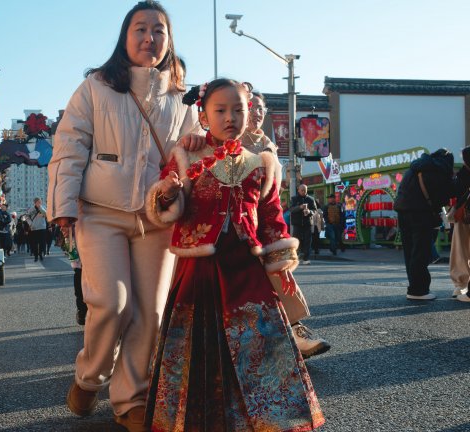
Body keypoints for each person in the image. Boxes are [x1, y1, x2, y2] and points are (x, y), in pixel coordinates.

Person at [47, 2, 204, 430]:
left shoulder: (183, 96)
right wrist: (63, 206)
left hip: (157, 217)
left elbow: (194, 155)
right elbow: (70, 144)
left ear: (169, 40)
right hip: (101, 213)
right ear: (124, 36)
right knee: (112, 304)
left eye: (159, 30)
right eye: (141, 29)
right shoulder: (96, 87)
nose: (150, 37)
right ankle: (90, 376)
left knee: (150, 314)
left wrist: (196, 140)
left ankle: (130, 400)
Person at [145, 77, 324, 431]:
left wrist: (281, 262)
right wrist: (166, 192)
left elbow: (272, 218)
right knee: (200, 347)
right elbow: (171, 205)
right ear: (204, 115)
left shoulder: (262, 163)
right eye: (221, 110)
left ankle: (269, 421)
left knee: (260, 342)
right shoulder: (186, 155)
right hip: (199, 268)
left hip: (247, 267)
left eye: (238, 109)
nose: (230, 117)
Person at [239, 90, 330, 358]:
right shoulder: (222, 140)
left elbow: (272, 198)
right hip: (223, 222)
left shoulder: (268, 145)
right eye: (251, 106)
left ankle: (295, 329)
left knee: (278, 271)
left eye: (261, 108)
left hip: (260, 219)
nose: (257, 112)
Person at [394, 148, 470, 301]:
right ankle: (418, 291)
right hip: (421, 214)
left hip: (402, 212)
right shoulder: (438, 170)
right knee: (421, 251)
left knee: (410, 252)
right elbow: (451, 191)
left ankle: (414, 288)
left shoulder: (416, 167)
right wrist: (464, 173)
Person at [290, 184, 317, 264]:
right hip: (297, 224)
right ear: (298, 190)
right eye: (302, 190)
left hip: (307, 223)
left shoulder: (311, 199)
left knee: (307, 241)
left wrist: (309, 212)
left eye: (305, 190)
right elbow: (291, 209)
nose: (303, 192)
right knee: (296, 241)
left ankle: (306, 259)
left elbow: (315, 211)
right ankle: (295, 257)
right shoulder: (294, 199)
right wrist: (300, 207)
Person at [25, 197, 47, 262]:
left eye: (40, 202)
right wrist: (30, 224)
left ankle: (40, 254)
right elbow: (27, 217)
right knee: (34, 243)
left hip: (42, 227)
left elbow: (46, 214)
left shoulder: (43, 207)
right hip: (34, 228)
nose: (39, 203)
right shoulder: (31, 209)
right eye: (38, 202)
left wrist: (40, 207)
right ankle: (36, 256)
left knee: (42, 243)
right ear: (35, 203)